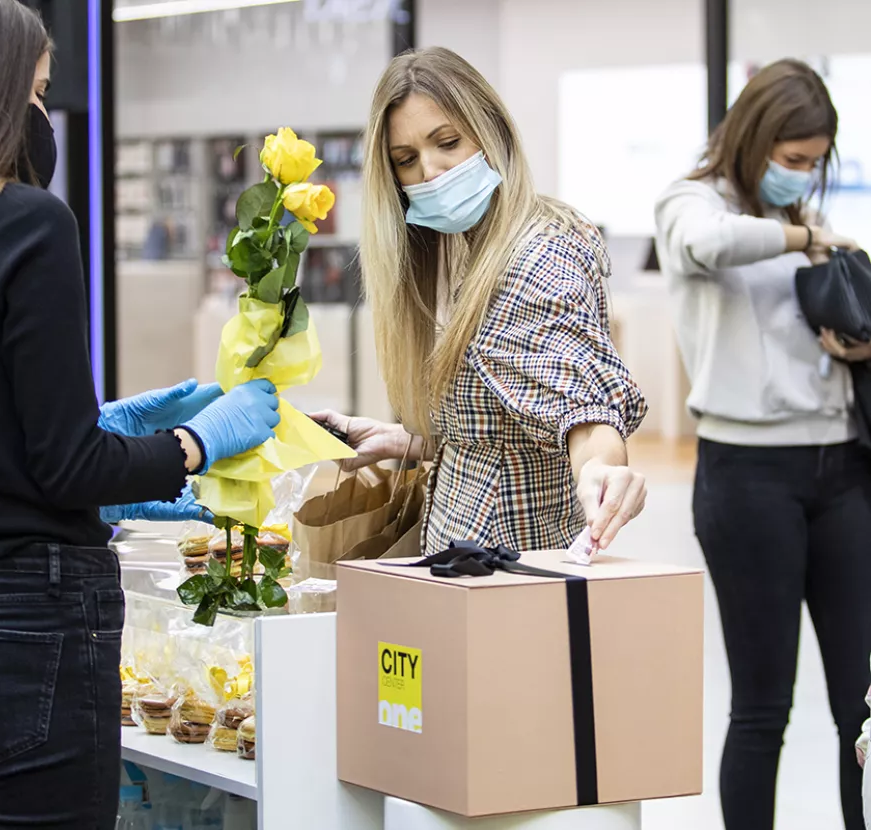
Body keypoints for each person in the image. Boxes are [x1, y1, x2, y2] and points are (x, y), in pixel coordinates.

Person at [0, 2, 279, 828]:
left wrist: (109, 430)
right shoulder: (26, 222)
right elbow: (66, 469)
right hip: (29, 634)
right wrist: (191, 444)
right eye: (37, 92)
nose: (43, 116)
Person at [314, 47, 647, 557]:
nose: (429, 171)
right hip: (462, 557)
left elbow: (579, 403)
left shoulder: (540, 251)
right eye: (406, 160)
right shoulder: (471, 250)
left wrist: (602, 467)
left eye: (447, 142)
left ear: (491, 130)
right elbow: (504, 431)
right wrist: (405, 441)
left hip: (504, 569)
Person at [655, 58, 871, 830]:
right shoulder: (688, 204)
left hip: (843, 470)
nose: (801, 176)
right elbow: (710, 246)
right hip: (745, 479)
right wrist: (804, 235)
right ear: (751, 140)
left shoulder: (812, 230)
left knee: (863, 710)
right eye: (791, 160)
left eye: (813, 164)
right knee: (761, 707)